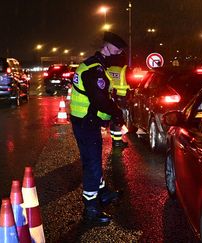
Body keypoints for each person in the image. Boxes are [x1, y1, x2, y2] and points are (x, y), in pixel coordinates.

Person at [70, 31, 127, 225]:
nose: (119, 52)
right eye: (117, 49)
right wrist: (116, 112)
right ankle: (91, 209)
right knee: (92, 162)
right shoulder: (94, 69)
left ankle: (102, 193)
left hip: (85, 121)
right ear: (108, 46)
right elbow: (99, 100)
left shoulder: (95, 64)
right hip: (87, 122)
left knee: (94, 159)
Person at [107, 63, 131, 148]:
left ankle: (115, 139)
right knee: (119, 118)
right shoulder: (124, 69)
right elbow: (131, 82)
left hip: (111, 96)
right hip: (122, 96)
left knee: (113, 118)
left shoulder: (108, 69)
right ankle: (117, 141)